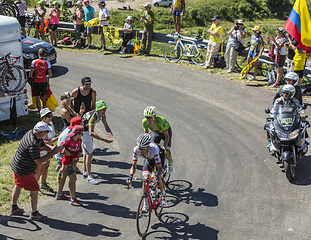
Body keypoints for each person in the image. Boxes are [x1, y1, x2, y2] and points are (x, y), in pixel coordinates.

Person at [9, 122, 63, 221]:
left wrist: (53, 148)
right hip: (24, 169)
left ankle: (14, 208)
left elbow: (42, 146)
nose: (47, 134)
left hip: (17, 166)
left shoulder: (32, 133)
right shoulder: (32, 143)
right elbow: (38, 161)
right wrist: (53, 152)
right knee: (34, 189)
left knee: (18, 185)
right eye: (46, 132)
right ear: (41, 132)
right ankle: (34, 214)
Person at [126, 134, 167, 211]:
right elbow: (133, 167)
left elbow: (160, 168)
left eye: (142, 149)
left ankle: (163, 194)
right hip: (148, 159)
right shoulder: (136, 150)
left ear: (148, 147)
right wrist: (130, 176)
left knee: (157, 179)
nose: (140, 151)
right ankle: (145, 203)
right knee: (145, 180)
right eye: (139, 148)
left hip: (159, 158)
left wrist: (157, 178)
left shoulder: (154, 149)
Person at [81, 100, 113, 184]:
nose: (105, 110)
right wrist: (104, 140)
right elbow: (91, 133)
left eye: (105, 109)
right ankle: (89, 176)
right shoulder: (93, 116)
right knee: (89, 154)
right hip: (84, 133)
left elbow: (106, 126)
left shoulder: (102, 115)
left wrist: (108, 131)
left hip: (85, 132)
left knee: (86, 153)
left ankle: (85, 172)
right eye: (103, 109)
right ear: (98, 109)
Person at [55, 117, 82, 201]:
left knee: (65, 174)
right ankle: (73, 199)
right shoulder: (67, 135)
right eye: (81, 124)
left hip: (70, 157)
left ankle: (59, 194)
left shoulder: (74, 133)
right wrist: (67, 153)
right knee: (73, 177)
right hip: (62, 157)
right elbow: (60, 149)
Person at [142, 106, 173, 173]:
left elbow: (167, 136)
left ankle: (170, 162)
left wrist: (164, 147)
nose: (148, 120)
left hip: (166, 133)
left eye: (150, 118)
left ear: (154, 116)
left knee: (166, 150)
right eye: (146, 117)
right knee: (151, 148)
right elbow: (146, 135)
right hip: (156, 133)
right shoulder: (144, 122)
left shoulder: (160, 121)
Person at [35, 108, 59, 192]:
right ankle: (35, 186)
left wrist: (56, 137)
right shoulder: (40, 126)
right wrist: (56, 139)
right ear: (43, 118)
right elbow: (43, 142)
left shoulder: (51, 124)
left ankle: (43, 183)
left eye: (51, 115)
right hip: (42, 150)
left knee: (46, 167)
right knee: (40, 169)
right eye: (48, 116)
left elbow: (53, 136)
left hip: (49, 149)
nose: (50, 117)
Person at [29, 48, 52, 113]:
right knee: (44, 96)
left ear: (38, 54)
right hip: (43, 81)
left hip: (36, 81)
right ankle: (44, 109)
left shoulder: (34, 62)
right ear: (45, 54)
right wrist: (48, 76)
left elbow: (31, 73)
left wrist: (30, 76)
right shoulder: (47, 63)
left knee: (37, 97)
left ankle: (39, 111)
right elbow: (50, 74)